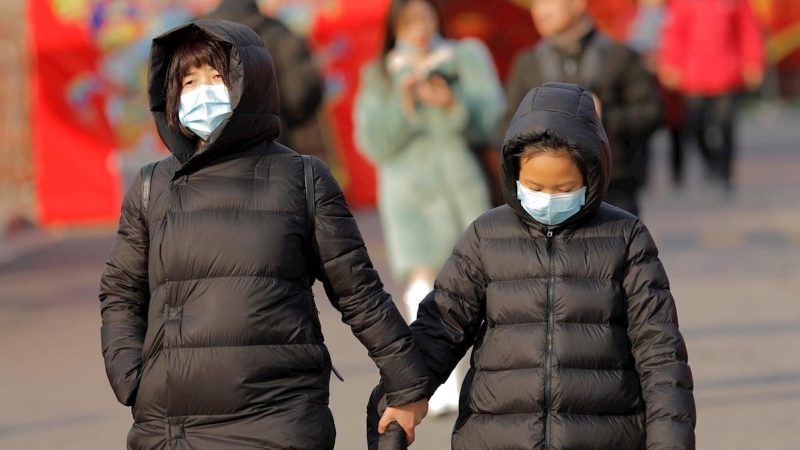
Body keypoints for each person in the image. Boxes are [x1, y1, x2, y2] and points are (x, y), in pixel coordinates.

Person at [99, 20, 427, 449]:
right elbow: (121, 292)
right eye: (188, 80)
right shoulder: (151, 187)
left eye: (217, 77)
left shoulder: (302, 179)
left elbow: (358, 292)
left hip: (279, 419)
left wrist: (407, 384)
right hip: (172, 425)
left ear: (248, 83)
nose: (203, 91)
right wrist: (132, 378)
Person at [370, 83, 696, 449]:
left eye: (564, 187)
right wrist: (402, 396)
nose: (548, 199)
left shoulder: (625, 237)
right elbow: (440, 327)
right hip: (495, 436)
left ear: (591, 175)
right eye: (536, 186)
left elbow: (660, 355)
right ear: (515, 174)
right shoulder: (487, 236)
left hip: (602, 436)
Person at [353, 0, 505, 416]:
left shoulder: (465, 58)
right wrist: (401, 107)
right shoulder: (381, 72)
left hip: (462, 186)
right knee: (423, 282)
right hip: (409, 194)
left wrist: (451, 104)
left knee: (477, 279)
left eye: (424, 17)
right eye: (407, 21)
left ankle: (489, 374)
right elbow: (372, 141)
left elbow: (494, 117)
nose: (418, 28)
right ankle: (434, 385)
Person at [503, 0, 663, 216]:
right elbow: (504, 126)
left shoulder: (619, 56)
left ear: (578, 4)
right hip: (548, 198)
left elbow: (653, 113)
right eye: (536, 3)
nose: (540, 10)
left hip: (614, 191)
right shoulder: (527, 63)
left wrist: (602, 115)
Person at [659, 0, 765, 192]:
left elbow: (748, 30)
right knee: (694, 124)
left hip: (727, 75)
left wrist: (753, 62)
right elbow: (674, 32)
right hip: (694, 76)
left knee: (725, 124)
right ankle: (710, 161)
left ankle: (725, 172)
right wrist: (671, 63)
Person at [203, 0, 324, 151]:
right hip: (270, 146)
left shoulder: (195, 34)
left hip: (209, 152)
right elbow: (301, 92)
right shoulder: (277, 31)